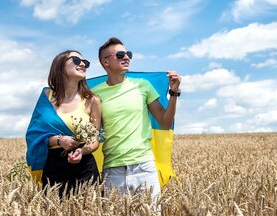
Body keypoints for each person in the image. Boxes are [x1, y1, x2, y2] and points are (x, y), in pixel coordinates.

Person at [92, 37, 181, 200]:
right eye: (120, 55)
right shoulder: (95, 94)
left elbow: (164, 122)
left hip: (145, 167)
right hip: (112, 171)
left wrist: (174, 93)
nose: (127, 58)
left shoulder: (143, 85)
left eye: (128, 54)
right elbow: (91, 132)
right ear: (105, 62)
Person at [26, 50, 101, 197]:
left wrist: (82, 151)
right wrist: (60, 140)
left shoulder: (93, 100)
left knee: (90, 214)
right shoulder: (47, 96)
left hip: (84, 165)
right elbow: (34, 135)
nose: (82, 64)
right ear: (60, 66)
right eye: (76, 60)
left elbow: (94, 140)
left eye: (85, 63)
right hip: (54, 167)